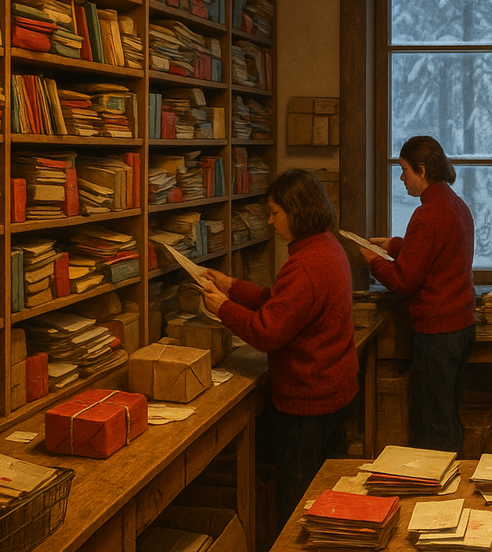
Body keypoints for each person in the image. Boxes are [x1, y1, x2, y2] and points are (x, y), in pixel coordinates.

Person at [201, 169, 358, 524]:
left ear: (296, 210)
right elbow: (280, 302)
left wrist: (222, 308)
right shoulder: (324, 246)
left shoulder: (306, 264)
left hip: (309, 403)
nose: (270, 222)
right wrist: (231, 286)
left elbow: (267, 331)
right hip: (332, 391)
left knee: (300, 505)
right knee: (323, 498)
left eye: (275, 212)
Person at [361, 136, 476, 453]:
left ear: (422, 170)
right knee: (447, 416)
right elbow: (436, 251)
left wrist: (373, 261)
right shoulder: (454, 203)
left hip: (438, 333)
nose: (401, 179)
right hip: (461, 326)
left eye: (404, 170)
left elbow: (403, 281)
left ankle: (435, 491)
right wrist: (395, 245)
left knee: (432, 427)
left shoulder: (427, 214)